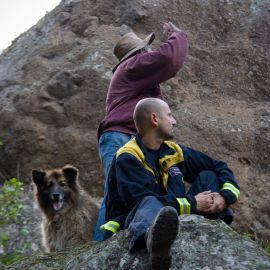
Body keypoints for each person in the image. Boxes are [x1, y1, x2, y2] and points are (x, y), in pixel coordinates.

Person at [100, 98, 240, 270]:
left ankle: (214, 226)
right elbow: (140, 201)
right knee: (149, 202)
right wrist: (193, 203)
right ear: (154, 119)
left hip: (177, 213)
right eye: (169, 115)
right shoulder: (128, 157)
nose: (174, 121)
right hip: (134, 221)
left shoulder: (173, 150)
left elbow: (218, 166)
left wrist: (225, 197)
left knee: (208, 175)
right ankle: (155, 243)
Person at [94, 21, 188, 241]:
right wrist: (177, 35)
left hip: (124, 139)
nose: (151, 52)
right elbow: (168, 59)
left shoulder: (132, 76)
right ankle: (97, 252)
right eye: (148, 49)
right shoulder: (132, 66)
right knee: (114, 195)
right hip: (120, 138)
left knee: (126, 194)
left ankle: (125, 242)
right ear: (139, 53)